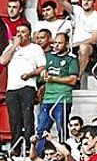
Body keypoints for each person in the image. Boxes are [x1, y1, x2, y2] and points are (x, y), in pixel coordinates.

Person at [0, 22, 45, 153]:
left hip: (27, 86)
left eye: (23, 32)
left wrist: (30, 74)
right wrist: (14, 45)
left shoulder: (35, 48)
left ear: (29, 34)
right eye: (18, 32)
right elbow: (3, 61)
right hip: (11, 88)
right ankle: (16, 147)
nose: (20, 35)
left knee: (27, 118)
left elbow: (42, 67)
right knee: (14, 119)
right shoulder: (11, 47)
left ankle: (29, 147)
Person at [36, 33, 79, 140]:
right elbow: (43, 71)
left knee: (62, 129)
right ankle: (41, 150)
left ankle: (63, 149)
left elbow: (73, 80)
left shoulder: (72, 59)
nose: (56, 45)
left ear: (67, 44)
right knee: (41, 130)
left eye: (60, 43)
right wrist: (43, 73)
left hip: (62, 99)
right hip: (47, 98)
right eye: (55, 42)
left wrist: (53, 79)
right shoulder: (48, 57)